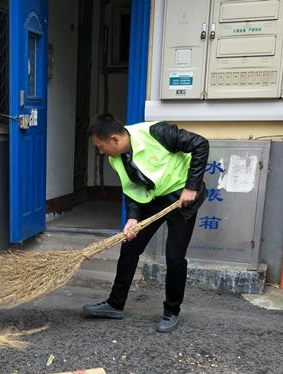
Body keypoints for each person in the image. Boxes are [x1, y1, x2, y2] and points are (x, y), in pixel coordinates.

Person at [83, 113, 209, 332]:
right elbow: (133, 190)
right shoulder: (117, 159)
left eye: (100, 146)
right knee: (130, 246)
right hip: (153, 198)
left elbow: (200, 144)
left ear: (114, 139)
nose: (100, 152)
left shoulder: (156, 132)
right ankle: (115, 304)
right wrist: (132, 218)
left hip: (181, 198)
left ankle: (172, 311)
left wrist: (192, 186)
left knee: (174, 256)